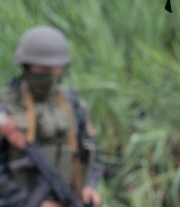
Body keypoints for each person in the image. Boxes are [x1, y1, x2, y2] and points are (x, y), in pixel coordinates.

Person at [0, 26, 103, 207]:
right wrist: (33, 203)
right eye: (43, 69)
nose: (51, 74)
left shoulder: (72, 102)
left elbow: (91, 150)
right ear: (27, 65)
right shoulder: (5, 106)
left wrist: (90, 186)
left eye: (55, 68)